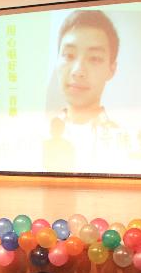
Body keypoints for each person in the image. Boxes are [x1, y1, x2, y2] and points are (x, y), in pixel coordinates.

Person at [43, 9, 122, 172]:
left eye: (94, 58)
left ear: (112, 69)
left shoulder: (121, 136)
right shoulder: (39, 133)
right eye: (69, 55)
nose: (78, 71)